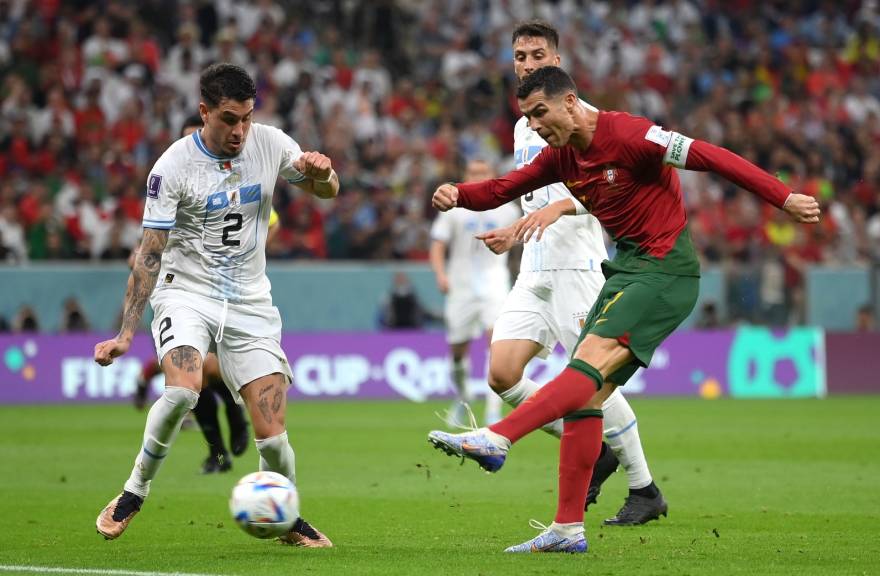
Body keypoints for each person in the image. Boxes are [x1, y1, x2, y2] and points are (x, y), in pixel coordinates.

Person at [428, 65, 819, 553]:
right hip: (627, 270)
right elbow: (505, 187)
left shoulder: (632, 135)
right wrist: (458, 194)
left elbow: (712, 156)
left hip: (666, 271)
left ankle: (500, 437)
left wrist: (783, 197)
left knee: (585, 369)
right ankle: (567, 530)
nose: (535, 125)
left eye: (541, 112)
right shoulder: (562, 157)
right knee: (586, 397)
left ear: (571, 102)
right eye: (528, 117)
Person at [94, 63, 339, 547]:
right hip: (186, 292)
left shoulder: (271, 143)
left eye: (247, 117)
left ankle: (286, 517)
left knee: (274, 438)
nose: (240, 131)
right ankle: (134, 491)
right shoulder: (172, 167)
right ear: (204, 111)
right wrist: (125, 333)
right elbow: (149, 253)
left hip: (249, 301)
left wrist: (325, 174)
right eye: (229, 119)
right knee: (183, 391)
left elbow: (328, 193)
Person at [473, 21, 666, 524]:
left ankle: (644, 488)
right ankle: (595, 448)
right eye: (520, 56)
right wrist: (514, 230)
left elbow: (610, 186)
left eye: (537, 55)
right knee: (501, 374)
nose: (527, 64)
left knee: (595, 382)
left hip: (577, 265)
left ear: (556, 62)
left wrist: (558, 210)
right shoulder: (524, 125)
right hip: (534, 266)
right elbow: (537, 192)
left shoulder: (583, 118)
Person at [429, 158, 520, 426]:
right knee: (457, 350)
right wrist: (441, 274)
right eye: (473, 173)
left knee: (497, 343)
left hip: (495, 280)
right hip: (461, 283)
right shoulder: (453, 208)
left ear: (492, 175)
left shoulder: (508, 209)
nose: (478, 177)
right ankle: (463, 396)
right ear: (465, 176)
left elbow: (520, 242)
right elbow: (437, 244)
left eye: (483, 173)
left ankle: (493, 410)